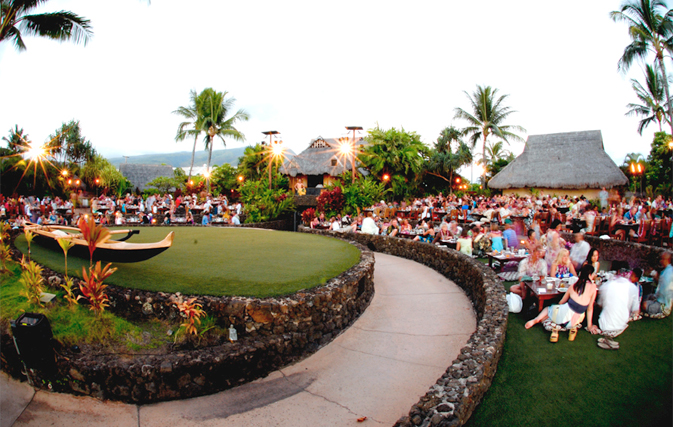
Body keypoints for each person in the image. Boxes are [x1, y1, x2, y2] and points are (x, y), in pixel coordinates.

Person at [525, 264, 598, 343]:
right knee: (569, 313)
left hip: (563, 314)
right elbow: (590, 308)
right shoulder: (593, 287)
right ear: (590, 275)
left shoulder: (574, 286)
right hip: (576, 320)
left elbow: (561, 302)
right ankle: (570, 328)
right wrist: (589, 326)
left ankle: (536, 320)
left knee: (549, 308)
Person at [593, 269, 642, 340]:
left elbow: (600, 304)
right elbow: (636, 309)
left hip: (604, 325)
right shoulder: (633, 288)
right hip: (622, 323)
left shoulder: (607, 285)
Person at [642, 252, 673, 318]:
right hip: (659, 299)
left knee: (644, 304)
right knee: (645, 297)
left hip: (663, 305)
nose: (660, 261)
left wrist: (656, 276)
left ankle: (658, 312)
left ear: (666, 260)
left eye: (662, 259)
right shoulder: (665, 271)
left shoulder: (668, 273)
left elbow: (663, 290)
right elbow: (660, 284)